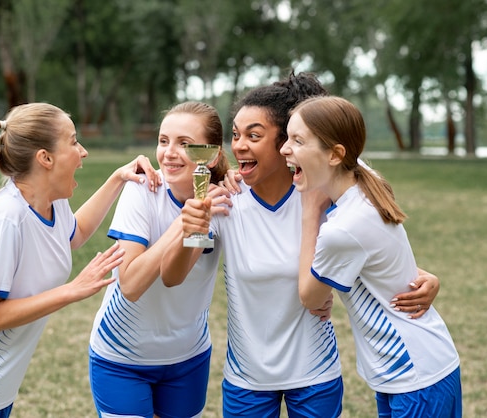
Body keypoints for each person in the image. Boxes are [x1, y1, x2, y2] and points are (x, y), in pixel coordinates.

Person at [161, 71, 441, 418]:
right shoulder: (225, 199)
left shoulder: (325, 191)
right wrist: (191, 227)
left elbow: (377, 241)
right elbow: (173, 277)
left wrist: (421, 277)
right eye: (236, 135)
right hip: (246, 378)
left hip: (315, 374)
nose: (239, 145)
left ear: (286, 144)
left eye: (254, 135)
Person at [0, 102, 159, 417]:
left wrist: (119, 178)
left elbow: (75, 234)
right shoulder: (7, 218)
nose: (83, 152)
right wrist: (72, 290)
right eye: (74, 141)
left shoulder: (52, 201)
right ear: (45, 158)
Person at [282, 96, 462, 417]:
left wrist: (310, 214)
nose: (284, 148)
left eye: (297, 140)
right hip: (408, 373)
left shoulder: (344, 228)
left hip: (415, 376)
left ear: (336, 154)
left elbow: (310, 296)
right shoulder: (360, 178)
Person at [88, 101, 232, 418]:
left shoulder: (223, 199)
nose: (168, 152)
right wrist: (184, 220)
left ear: (213, 154)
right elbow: (131, 284)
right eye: (164, 140)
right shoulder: (142, 191)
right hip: (122, 358)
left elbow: (174, 276)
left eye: (185, 143)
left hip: (188, 358)